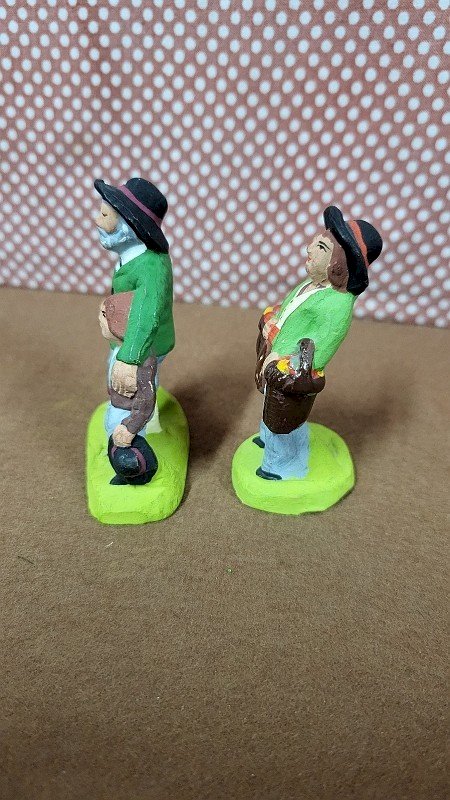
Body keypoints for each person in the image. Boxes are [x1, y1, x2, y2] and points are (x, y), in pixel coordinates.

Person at [254, 205, 383, 480]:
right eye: (316, 241)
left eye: (321, 247)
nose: (309, 248)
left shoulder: (338, 305)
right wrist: (273, 318)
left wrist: (285, 360)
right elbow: (290, 309)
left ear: (339, 265)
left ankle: (282, 465)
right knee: (269, 407)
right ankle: (266, 437)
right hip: (273, 360)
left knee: (285, 422)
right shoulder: (310, 284)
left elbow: (321, 349)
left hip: (290, 373)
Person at [94, 177, 175, 403]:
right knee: (118, 380)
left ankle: (132, 424)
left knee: (132, 390)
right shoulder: (131, 256)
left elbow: (145, 314)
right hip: (126, 340)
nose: (97, 221)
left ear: (130, 226)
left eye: (105, 215)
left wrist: (130, 358)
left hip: (145, 346)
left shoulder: (151, 268)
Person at [98, 292, 158, 486]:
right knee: (112, 436)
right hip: (116, 407)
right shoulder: (118, 350)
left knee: (127, 448)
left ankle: (133, 477)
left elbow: (146, 400)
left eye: (104, 315)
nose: (99, 319)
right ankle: (117, 465)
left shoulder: (142, 361)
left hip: (127, 414)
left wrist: (131, 427)